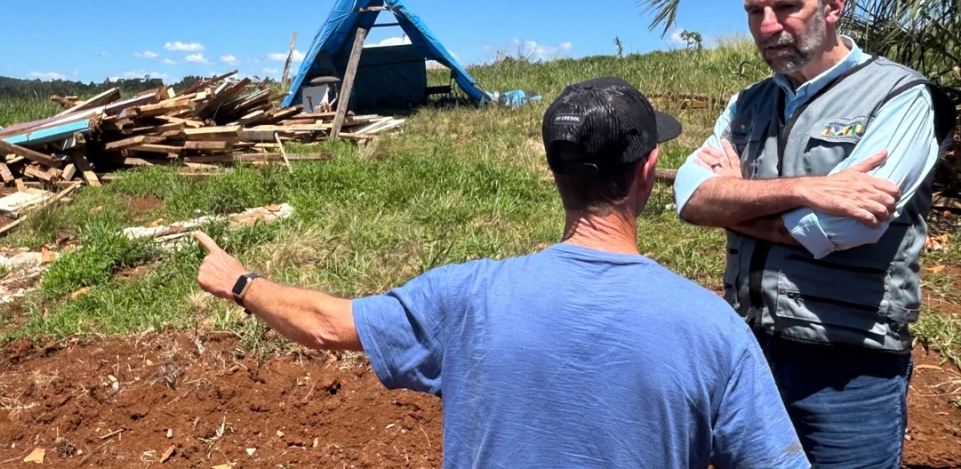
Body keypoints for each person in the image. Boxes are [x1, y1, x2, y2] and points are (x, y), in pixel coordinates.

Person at [195, 77, 808, 469]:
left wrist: (241, 283)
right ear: (649, 171)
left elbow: (328, 325)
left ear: (553, 174)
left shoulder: (466, 298)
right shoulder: (712, 328)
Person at [673, 0, 953, 468]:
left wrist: (736, 205)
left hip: (848, 367)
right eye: (756, 11)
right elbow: (690, 198)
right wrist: (806, 190)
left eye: (787, 7)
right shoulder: (747, 104)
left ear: (833, 5)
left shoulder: (899, 97)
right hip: (750, 351)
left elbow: (846, 231)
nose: (769, 26)